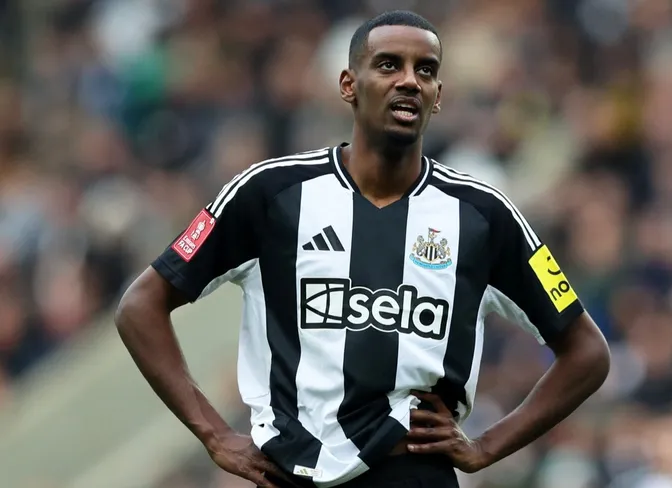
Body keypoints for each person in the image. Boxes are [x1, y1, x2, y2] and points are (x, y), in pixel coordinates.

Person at [114, 10, 610, 488]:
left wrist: (487, 447)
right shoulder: (270, 193)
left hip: (412, 473)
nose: (409, 80)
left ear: (438, 97)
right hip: (291, 474)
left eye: (426, 70)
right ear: (349, 85)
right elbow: (141, 305)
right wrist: (215, 435)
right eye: (389, 65)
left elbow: (587, 351)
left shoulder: (483, 214)